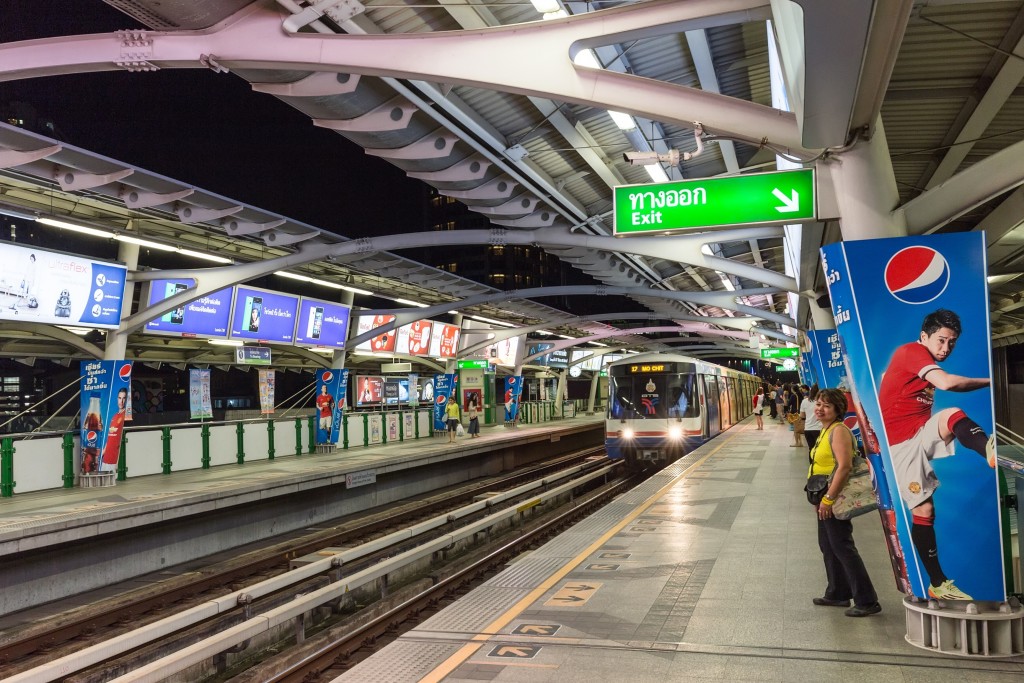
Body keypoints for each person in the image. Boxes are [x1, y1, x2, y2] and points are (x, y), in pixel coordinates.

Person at [878, 309, 994, 601]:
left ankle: (989, 450)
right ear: (924, 337)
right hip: (900, 445)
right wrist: (992, 379)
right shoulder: (912, 351)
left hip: (919, 433)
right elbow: (947, 383)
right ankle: (938, 583)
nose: (945, 348)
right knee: (925, 511)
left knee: (951, 415)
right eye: (941, 340)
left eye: (951, 343)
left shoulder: (921, 359)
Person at [809, 388, 881, 617]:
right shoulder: (826, 429)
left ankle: (867, 600)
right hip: (824, 496)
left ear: (838, 410)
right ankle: (838, 592)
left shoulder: (838, 431)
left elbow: (845, 466)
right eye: (818, 404)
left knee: (842, 547)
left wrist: (829, 499)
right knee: (828, 546)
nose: (820, 409)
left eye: (826, 406)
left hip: (835, 496)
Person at [101, 387, 129, 469]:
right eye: (120, 398)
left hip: (114, 458)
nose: (121, 401)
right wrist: (103, 451)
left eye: (124, 398)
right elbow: (110, 436)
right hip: (106, 457)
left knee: (110, 480)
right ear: (117, 399)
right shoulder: (115, 416)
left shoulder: (126, 415)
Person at [801, 385, 822, 457]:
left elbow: (802, 415)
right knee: (820, 450)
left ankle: (812, 466)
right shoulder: (821, 402)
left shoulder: (804, 401)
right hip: (820, 429)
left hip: (808, 429)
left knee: (811, 449)